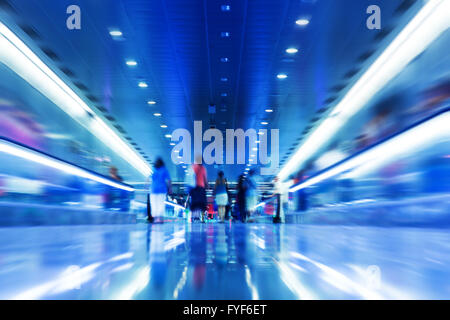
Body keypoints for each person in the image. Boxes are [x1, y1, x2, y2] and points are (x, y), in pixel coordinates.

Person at [150, 157, 171, 224]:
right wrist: (170, 188)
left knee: (154, 204)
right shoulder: (164, 170)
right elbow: (169, 180)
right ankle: (159, 219)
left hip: (153, 189)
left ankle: (155, 219)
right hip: (162, 189)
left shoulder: (153, 169)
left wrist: (146, 186)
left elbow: (149, 178)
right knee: (160, 204)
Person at [189, 155, 208, 222]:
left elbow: (190, 177)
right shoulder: (203, 168)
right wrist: (207, 185)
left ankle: (194, 216)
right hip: (200, 187)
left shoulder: (193, 167)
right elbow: (205, 179)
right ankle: (197, 217)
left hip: (194, 187)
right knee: (200, 203)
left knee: (194, 202)